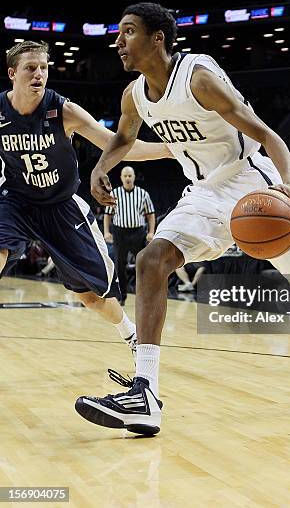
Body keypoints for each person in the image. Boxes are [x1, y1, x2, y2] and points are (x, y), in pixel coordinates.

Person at [75, 3, 290, 437]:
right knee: (152, 261)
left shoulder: (198, 79)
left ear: (158, 39)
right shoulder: (133, 96)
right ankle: (145, 392)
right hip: (203, 194)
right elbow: (123, 139)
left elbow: (269, 136)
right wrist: (100, 167)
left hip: (253, 189)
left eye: (128, 32)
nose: (118, 42)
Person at [0, 40, 172, 363]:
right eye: (30, 68)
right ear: (12, 74)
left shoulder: (63, 111)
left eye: (44, 68)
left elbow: (116, 145)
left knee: (92, 298)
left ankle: (131, 334)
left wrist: (166, 149)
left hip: (61, 208)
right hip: (17, 201)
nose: (39, 74)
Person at [104, 166, 155, 305]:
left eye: (130, 175)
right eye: (125, 176)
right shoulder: (114, 194)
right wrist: (106, 232)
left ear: (134, 177)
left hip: (138, 232)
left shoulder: (143, 194)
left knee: (142, 264)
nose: (127, 178)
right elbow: (107, 215)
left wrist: (151, 232)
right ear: (121, 177)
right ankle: (122, 296)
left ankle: (143, 296)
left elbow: (150, 215)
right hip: (120, 232)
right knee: (119, 265)